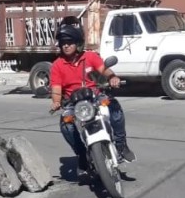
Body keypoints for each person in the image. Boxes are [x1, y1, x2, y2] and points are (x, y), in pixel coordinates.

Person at [49, 23, 136, 174]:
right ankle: (82, 155)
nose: (66, 46)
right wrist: (56, 102)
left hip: (95, 96)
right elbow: (56, 88)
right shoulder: (57, 65)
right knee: (66, 125)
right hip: (73, 103)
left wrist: (113, 77)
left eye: (69, 42)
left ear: (78, 43)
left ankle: (121, 145)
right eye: (63, 43)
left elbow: (104, 69)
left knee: (114, 107)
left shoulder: (90, 57)